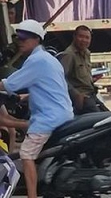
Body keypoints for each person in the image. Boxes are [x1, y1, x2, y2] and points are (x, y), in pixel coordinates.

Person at [0, 19, 73, 198]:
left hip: (49, 117)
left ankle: (32, 196)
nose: (20, 42)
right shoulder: (48, 58)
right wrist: (26, 97)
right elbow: (49, 88)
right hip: (61, 112)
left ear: (36, 40)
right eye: (18, 38)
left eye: (24, 38)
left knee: (26, 154)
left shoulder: (36, 61)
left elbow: (10, 84)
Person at [59, 25, 105, 115]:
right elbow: (61, 78)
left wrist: (92, 79)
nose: (84, 40)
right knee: (101, 120)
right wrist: (76, 95)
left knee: (110, 116)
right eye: (81, 37)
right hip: (83, 98)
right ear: (74, 37)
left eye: (87, 38)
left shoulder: (86, 52)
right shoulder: (69, 54)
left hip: (91, 94)